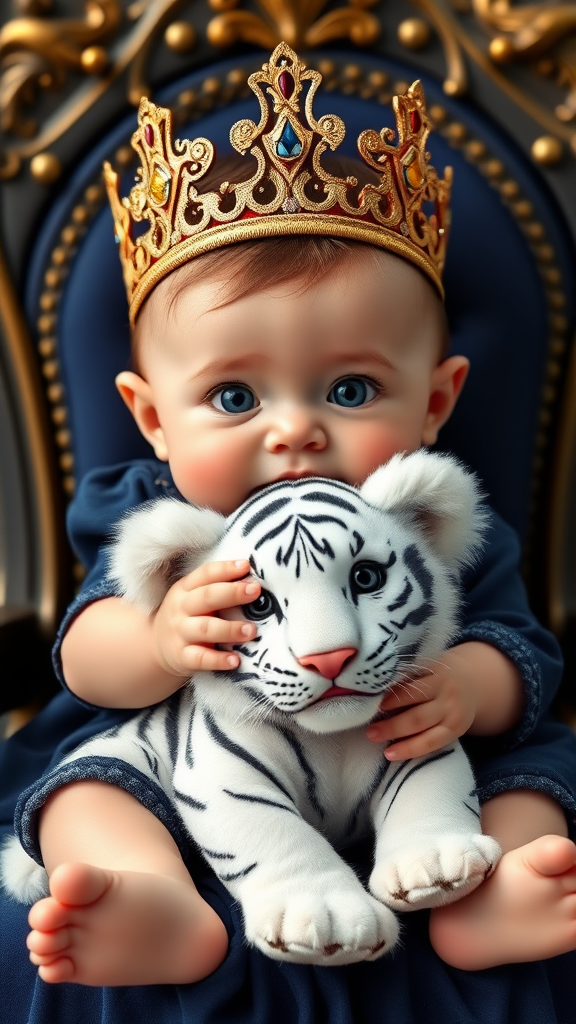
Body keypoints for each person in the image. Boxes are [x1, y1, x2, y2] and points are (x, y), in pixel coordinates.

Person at [3, 42, 576, 1019]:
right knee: (82, 795)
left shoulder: (426, 520)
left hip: (413, 777)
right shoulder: (154, 513)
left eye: (349, 389)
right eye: (234, 394)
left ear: (437, 400)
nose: (294, 428)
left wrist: (466, 687)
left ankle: (491, 897)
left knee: (538, 777)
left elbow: (519, 646)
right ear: (153, 419)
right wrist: (156, 639)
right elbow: (84, 659)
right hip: (196, 778)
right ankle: (158, 901)